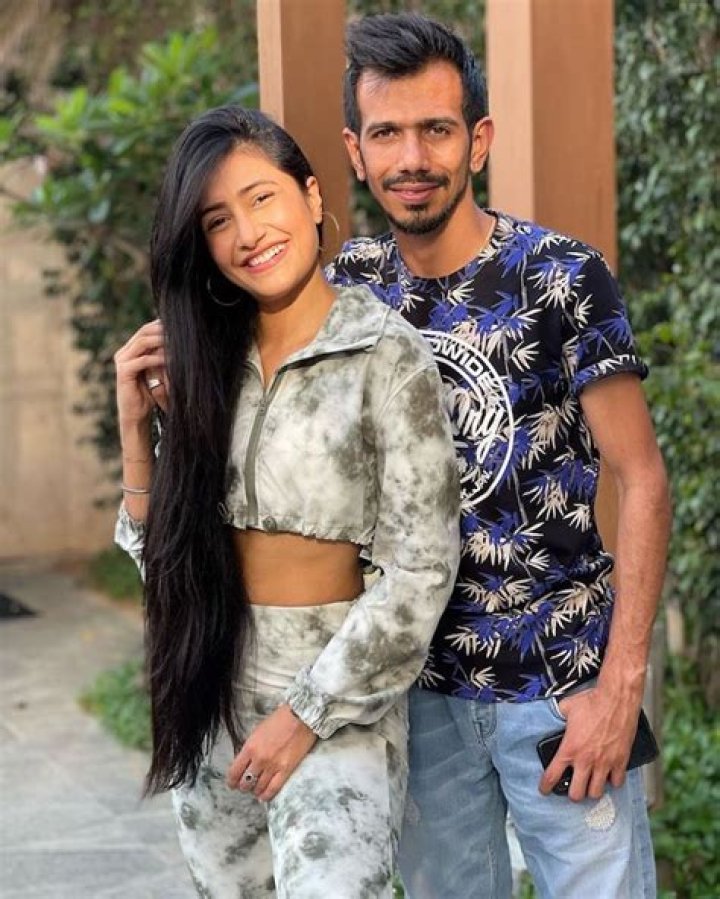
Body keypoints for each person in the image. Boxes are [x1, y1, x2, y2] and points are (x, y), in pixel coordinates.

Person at [329, 13, 671, 899]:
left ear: (477, 140)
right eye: (387, 134)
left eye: (436, 130)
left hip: (562, 685)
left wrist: (621, 684)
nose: (413, 157)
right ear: (356, 152)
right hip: (418, 697)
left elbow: (641, 476)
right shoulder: (348, 291)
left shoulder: (560, 274)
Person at [113, 104, 460, 899]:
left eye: (262, 198)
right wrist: (137, 429)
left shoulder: (387, 355)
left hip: (339, 692)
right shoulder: (206, 360)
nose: (247, 233)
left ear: (310, 195)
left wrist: (303, 712)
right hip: (212, 684)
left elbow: (421, 574)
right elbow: (163, 563)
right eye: (217, 220)